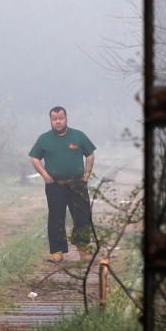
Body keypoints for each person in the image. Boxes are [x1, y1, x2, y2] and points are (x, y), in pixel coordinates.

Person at [29, 106, 96, 263]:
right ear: (51, 120)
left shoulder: (78, 136)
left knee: (82, 217)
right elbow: (34, 158)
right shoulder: (44, 139)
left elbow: (90, 155)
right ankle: (57, 252)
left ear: (66, 118)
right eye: (54, 119)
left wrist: (87, 175)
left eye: (60, 118)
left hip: (78, 184)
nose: (57, 122)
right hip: (55, 185)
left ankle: (83, 250)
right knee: (56, 217)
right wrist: (45, 175)